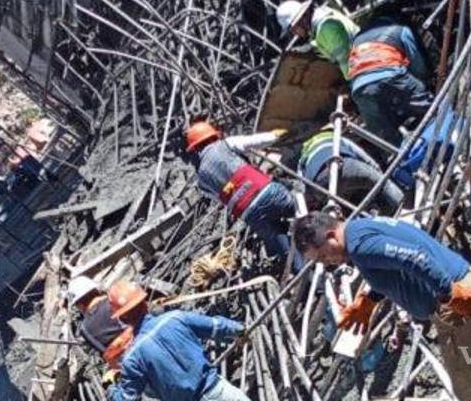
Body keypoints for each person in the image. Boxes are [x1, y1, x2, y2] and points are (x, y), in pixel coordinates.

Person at [293, 212, 471, 401]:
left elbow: (415, 257)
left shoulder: (360, 247)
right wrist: (370, 300)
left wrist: (448, 294)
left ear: (331, 236)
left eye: (323, 256)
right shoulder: (361, 228)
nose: (327, 263)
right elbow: (395, 266)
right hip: (470, 282)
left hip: (459, 307)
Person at [277, 2, 433, 145]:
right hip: (380, 71)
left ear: (301, 20)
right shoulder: (324, 22)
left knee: (387, 137)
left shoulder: (326, 28)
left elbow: (345, 59)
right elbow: (418, 65)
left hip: (361, 78)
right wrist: (422, 84)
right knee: (426, 109)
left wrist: (353, 88)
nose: (295, 34)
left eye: (293, 29)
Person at [185, 120, 304, 271]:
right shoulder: (225, 144)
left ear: (195, 149)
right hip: (268, 194)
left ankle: (305, 275)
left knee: (281, 244)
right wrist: (276, 135)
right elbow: (256, 141)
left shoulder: (201, 179)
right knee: (300, 201)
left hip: (250, 214)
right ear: (212, 137)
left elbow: (220, 199)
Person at [103, 281, 248, 401]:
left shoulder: (132, 358)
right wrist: (239, 331)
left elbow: (128, 398)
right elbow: (216, 327)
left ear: (121, 319)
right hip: (219, 391)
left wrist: (111, 388)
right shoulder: (176, 318)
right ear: (145, 303)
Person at [295, 128, 405, 213]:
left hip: (320, 184)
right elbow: (363, 156)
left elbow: (301, 189)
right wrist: (377, 173)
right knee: (382, 183)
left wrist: (316, 199)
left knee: (348, 209)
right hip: (344, 166)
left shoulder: (303, 159)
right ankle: (402, 206)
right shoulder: (335, 138)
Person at [67, 276, 132, 370]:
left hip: (129, 363)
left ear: (80, 304)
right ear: (96, 290)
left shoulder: (85, 329)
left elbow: (105, 353)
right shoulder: (115, 300)